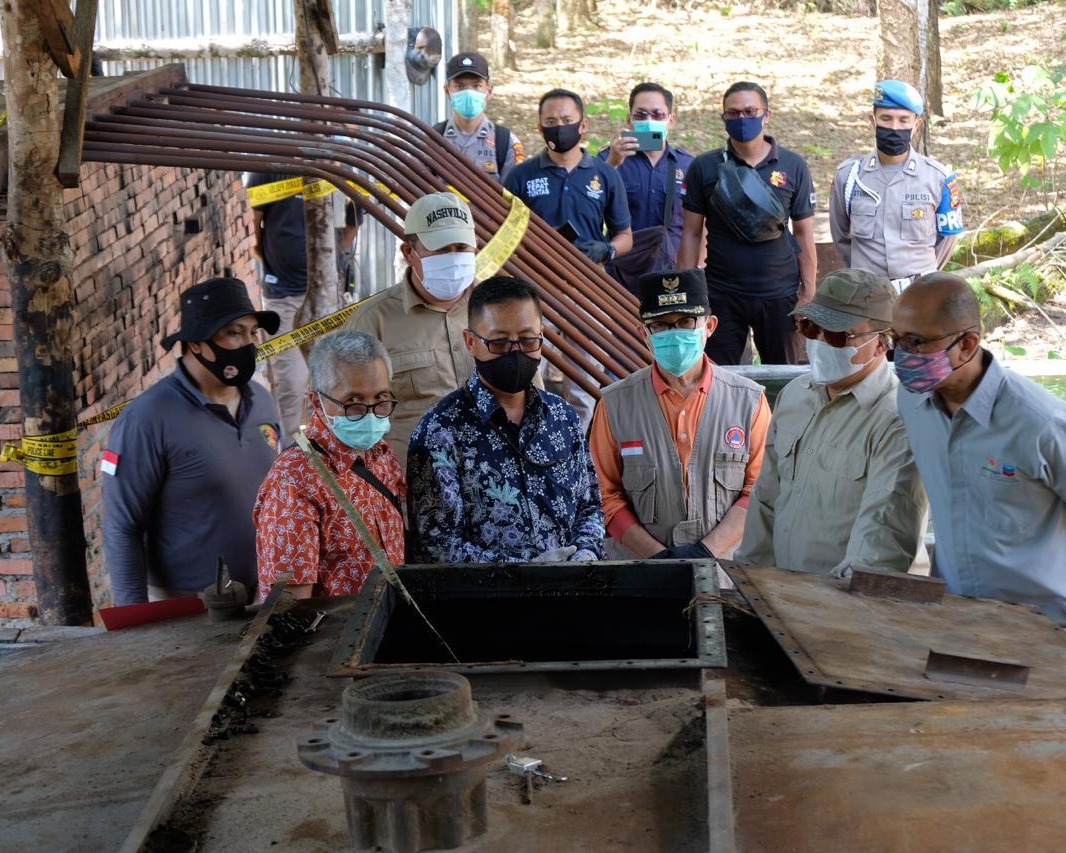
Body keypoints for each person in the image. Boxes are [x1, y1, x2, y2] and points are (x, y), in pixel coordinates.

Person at [893, 272, 1066, 624]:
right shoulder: (911, 401)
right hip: (954, 616)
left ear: (967, 344)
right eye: (895, 339)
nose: (901, 355)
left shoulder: (1040, 423)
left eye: (915, 342)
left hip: (1043, 626)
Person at [735, 269, 926, 576]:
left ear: (882, 344)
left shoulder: (898, 419)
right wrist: (751, 583)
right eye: (811, 328)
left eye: (837, 335)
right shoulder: (794, 396)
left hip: (847, 608)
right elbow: (767, 499)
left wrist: (830, 611)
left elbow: (880, 542)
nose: (820, 341)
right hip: (782, 595)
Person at [102, 277, 281, 605]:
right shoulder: (147, 419)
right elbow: (121, 529)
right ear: (196, 343)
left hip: (257, 596)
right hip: (184, 610)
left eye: (253, 332)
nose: (248, 344)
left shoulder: (261, 400)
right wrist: (135, 626)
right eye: (233, 332)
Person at [406, 275, 604, 563]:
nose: (515, 352)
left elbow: (591, 507)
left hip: (573, 595)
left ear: (542, 336)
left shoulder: (563, 417)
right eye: (499, 343)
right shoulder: (439, 431)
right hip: (489, 604)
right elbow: (438, 543)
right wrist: (524, 573)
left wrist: (584, 554)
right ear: (471, 342)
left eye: (527, 340)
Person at [589, 269, 770, 560]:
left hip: (728, 573)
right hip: (640, 574)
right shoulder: (614, 404)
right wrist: (659, 558)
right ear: (643, 334)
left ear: (709, 326)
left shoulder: (748, 401)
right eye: (660, 325)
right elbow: (603, 495)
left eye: (686, 322)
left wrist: (705, 551)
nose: (674, 334)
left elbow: (761, 490)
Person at [254, 330, 406, 598]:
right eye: (353, 402)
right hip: (340, 636)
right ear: (317, 401)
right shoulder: (293, 482)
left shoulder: (382, 456)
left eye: (381, 399)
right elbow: (290, 608)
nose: (370, 415)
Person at [677, 81, 817, 366]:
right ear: (724, 118)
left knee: (782, 379)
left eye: (750, 111)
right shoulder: (705, 167)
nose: (742, 119)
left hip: (780, 295)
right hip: (721, 293)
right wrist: (689, 294)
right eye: (734, 113)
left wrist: (809, 293)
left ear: (767, 115)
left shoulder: (793, 166)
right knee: (719, 380)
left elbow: (803, 233)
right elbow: (691, 233)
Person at [344, 191, 478, 471]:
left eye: (462, 248)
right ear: (408, 252)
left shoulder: (497, 310)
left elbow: (531, 398)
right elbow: (349, 424)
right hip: (413, 492)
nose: (454, 259)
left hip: (495, 491)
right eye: (441, 250)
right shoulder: (371, 323)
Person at [246, 171, 360, 443]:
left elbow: (353, 226)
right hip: (284, 295)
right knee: (291, 383)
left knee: (327, 381)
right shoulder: (268, 170)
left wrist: (333, 266)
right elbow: (254, 229)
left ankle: (322, 453)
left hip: (329, 298)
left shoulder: (340, 169)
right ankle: (290, 458)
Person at [829, 80, 964, 293]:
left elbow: (947, 240)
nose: (894, 127)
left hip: (920, 296)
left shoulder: (939, 178)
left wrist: (920, 278)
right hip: (866, 297)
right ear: (873, 121)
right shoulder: (850, 177)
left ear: (916, 124)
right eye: (886, 118)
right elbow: (841, 236)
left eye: (903, 120)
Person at [504, 87, 633, 264]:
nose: (559, 127)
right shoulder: (520, 176)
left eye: (567, 120)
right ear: (540, 128)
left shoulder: (606, 174)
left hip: (590, 277)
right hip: (535, 278)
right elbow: (504, 232)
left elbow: (625, 236)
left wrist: (607, 249)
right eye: (550, 122)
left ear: (583, 125)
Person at [599, 82, 695, 290]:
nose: (649, 121)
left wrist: (696, 270)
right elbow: (590, 206)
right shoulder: (608, 159)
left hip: (673, 275)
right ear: (629, 119)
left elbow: (702, 225)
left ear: (671, 121)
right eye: (641, 115)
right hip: (620, 273)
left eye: (658, 115)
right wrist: (612, 163)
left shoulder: (688, 165)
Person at [434, 51, 525, 183]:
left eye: (476, 85)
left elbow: (513, 198)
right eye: (459, 86)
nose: (468, 92)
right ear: (447, 91)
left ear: (489, 92)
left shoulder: (506, 143)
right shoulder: (433, 138)